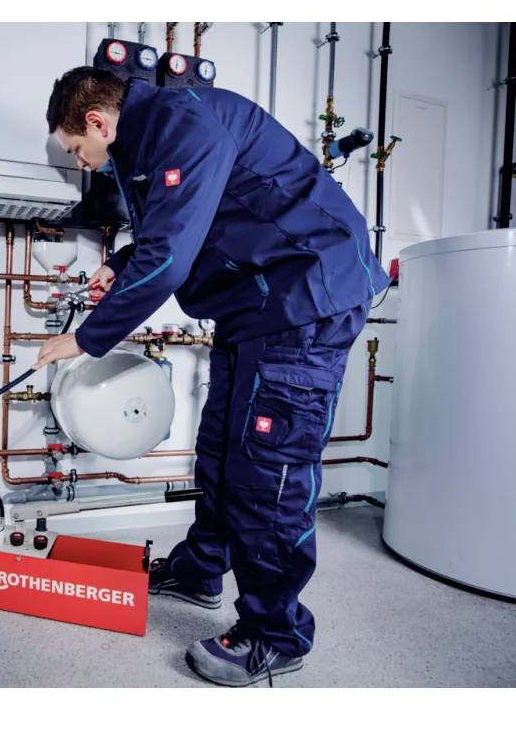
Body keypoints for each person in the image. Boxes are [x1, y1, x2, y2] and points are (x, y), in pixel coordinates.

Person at [32, 66, 390, 687]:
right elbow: (180, 230)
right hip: (257, 306)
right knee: (223, 449)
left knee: (265, 469)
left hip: (307, 298)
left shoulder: (183, 124)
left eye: (75, 150)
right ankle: (202, 569)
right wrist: (121, 264)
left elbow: (170, 257)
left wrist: (86, 337)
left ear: (96, 121)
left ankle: (276, 634)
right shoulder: (154, 142)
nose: (83, 162)